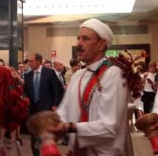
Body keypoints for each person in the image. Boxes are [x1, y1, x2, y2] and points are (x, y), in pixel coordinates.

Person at [50, 18, 129, 156]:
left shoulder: (114, 75)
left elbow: (110, 126)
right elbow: (64, 110)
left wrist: (70, 127)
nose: (79, 43)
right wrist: (53, 123)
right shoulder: (76, 76)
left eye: (85, 39)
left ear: (101, 44)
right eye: (78, 38)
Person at [23, 53, 64, 156]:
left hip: (47, 110)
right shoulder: (27, 75)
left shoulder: (49, 73)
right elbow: (26, 91)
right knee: (34, 137)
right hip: (34, 111)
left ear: (38, 61)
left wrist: (55, 105)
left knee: (47, 136)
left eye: (31, 61)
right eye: (28, 61)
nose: (29, 63)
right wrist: (25, 98)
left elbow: (57, 90)